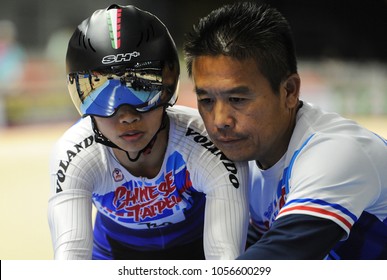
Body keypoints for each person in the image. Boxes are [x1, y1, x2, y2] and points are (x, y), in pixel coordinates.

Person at [183, 1, 387, 259]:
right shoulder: (247, 162)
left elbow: (274, 263)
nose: (219, 120)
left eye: (238, 99)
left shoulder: (337, 153)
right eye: (206, 101)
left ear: (289, 91)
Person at [48, 4, 249, 260]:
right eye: (102, 94)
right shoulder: (74, 154)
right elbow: (71, 257)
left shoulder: (211, 144)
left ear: (170, 86)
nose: (127, 116)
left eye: (144, 86)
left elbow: (225, 261)